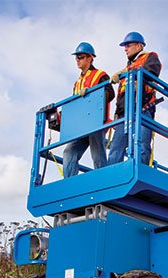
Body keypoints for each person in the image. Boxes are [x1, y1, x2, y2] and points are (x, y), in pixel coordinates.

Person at [108, 31, 162, 166]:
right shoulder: (128, 67)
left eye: (128, 45)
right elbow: (121, 94)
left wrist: (127, 72)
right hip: (124, 114)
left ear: (139, 46)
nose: (125, 49)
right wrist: (116, 113)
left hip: (143, 109)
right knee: (116, 148)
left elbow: (151, 72)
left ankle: (141, 170)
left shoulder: (150, 57)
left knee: (141, 145)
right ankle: (111, 177)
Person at [63, 42, 115, 178]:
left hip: (95, 123)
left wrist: (91, 93)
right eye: (76, 58)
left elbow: (110, 93)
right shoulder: (77, 82)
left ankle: (103, 183)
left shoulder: (100, 75)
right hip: (81, 126)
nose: (77, 60)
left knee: (98, 156)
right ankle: (69, 184)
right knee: (69, 152)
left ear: (90, 58)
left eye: (80, 57)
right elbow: (74, 104)